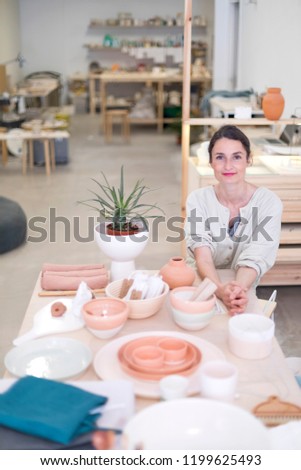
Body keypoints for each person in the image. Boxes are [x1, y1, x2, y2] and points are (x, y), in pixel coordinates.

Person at [185, 125, 283, 315]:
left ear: (249, 160)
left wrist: (236, 290)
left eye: (236, 157)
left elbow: (256, 257)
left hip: (242, 288)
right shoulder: (197, 199)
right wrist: (219, 290)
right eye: (220, 157)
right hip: (202, 283)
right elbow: (202, 256)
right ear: (211, 162)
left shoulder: (269, 203)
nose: (228, 166)